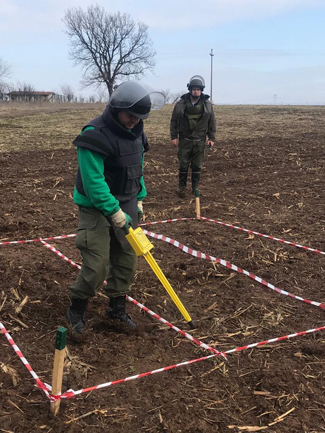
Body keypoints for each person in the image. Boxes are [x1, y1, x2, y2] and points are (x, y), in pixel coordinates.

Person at [67, 81, 165, 337]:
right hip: (97, 208)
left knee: (127, 260)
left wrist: (140, 198)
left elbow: (136, 168)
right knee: (97, 264)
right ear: (116, 108)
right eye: (130, 115)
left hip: (127, 203)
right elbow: (93, 182)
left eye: (139, 117)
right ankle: (76, 308)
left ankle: (116, 310)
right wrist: (114, 211)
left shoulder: (137, 135)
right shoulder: (94, 134)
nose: (134, 121)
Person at [170, 75, 216, 198]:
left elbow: (211, 121)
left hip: (199, 140)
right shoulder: (180, 104)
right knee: (183, 164)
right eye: (193, 89)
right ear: (190, 90)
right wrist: (174, 136)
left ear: (201, 90)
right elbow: (174, 120)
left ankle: (195, 187)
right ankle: (181, 187)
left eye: (198, 89)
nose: (196, 91)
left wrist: (211, 138)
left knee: (197, 165)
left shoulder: (207, 105)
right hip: (185, 139)